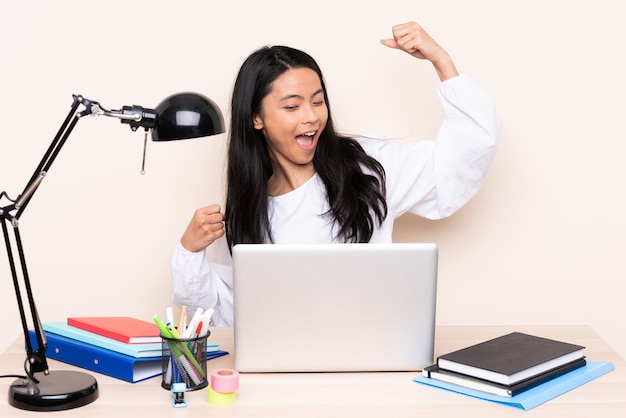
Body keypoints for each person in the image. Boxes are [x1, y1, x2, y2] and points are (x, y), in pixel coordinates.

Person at [171, 22, 501, 326]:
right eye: (292, 106)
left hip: (372, 347)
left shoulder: (368, 166)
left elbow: (461, 159)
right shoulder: (247, 210)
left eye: (318, 101)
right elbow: (224, 317)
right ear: (256, 118)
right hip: (289, 368)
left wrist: (441, 62)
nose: (311, 117)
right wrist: (189, 252)